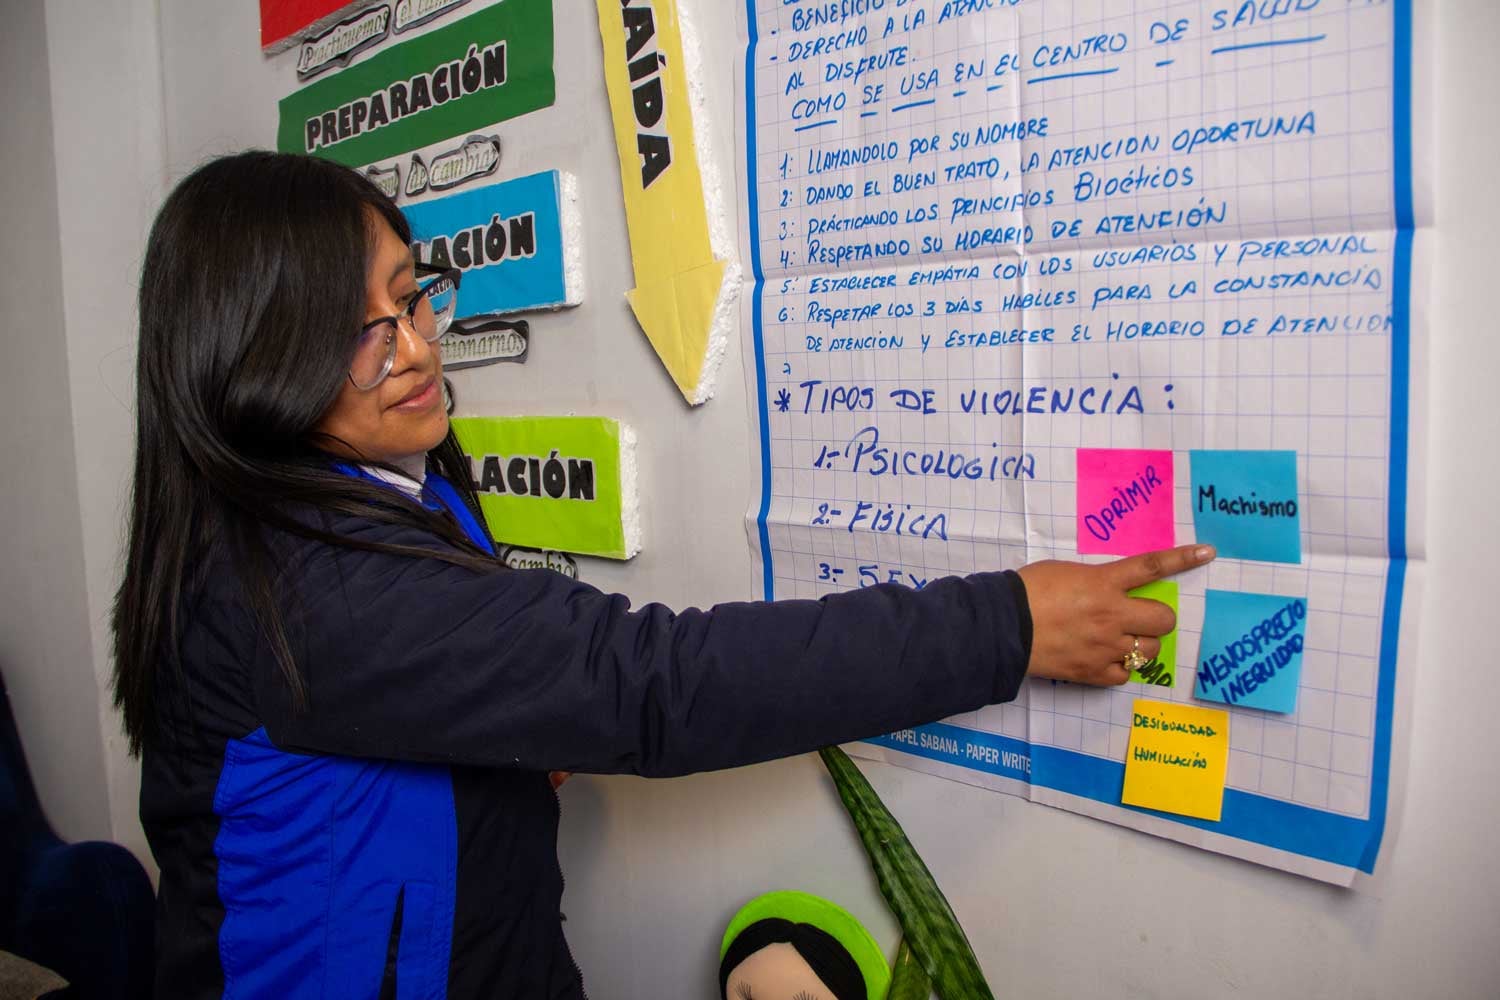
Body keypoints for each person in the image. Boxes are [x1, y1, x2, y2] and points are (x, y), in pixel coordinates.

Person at [112, 151, 1212, 999]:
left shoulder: (393, 481)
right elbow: (652, 683)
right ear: (252, 364)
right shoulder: (298, 585)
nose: (413, 348)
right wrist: (1008, 624)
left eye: (410, 298)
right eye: (353, 334)